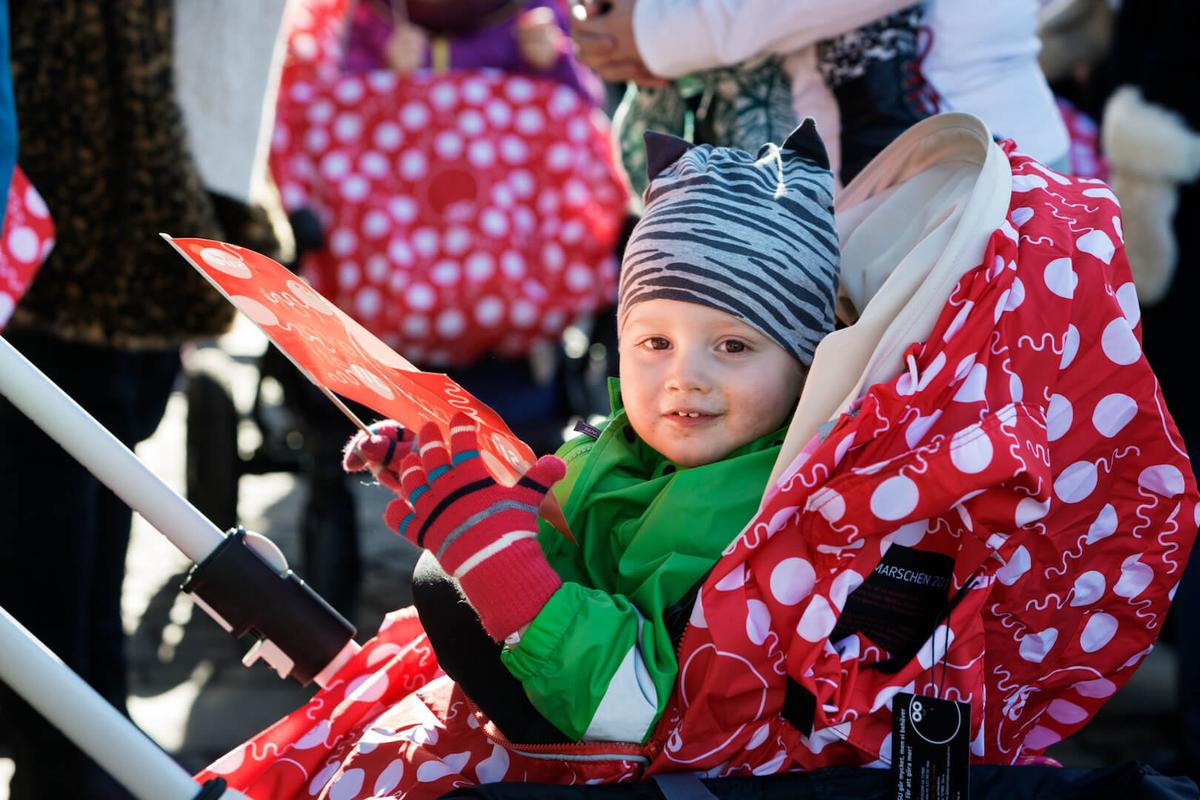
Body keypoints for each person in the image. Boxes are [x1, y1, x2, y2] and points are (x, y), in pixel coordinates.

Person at [339, 119, 839, 747]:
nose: (684, 376)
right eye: (655, 342)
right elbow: (561, 547)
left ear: (806, 362)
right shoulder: (622, 447)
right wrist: (462, 492)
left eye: (734, 345)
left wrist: (500, 565)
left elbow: (645, 711)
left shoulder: (759, 514)